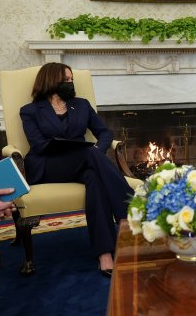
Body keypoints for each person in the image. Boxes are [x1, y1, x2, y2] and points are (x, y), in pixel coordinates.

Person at [19, 63, 134, 277]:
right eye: (67, 79)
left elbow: (104, 132)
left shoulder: (81, 105)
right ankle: (130, 212)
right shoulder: (31, 110)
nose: (71, 83)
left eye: (72, 79)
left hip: (84, 163)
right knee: (89, 154)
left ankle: (104, 254)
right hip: (48, 165)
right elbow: (38, 145)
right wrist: (86, 151)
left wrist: (98, 150)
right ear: (51, 80)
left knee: (93, 177)